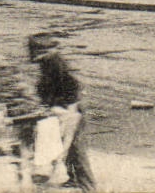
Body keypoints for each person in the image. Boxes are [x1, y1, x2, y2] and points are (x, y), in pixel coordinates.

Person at [28, 33, 96, 191]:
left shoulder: (57, 66)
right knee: (69, 150)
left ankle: (88, 188)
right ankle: (73, 179)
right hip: (63, 109)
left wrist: (69, 113)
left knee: (76, 151)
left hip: (71, 110)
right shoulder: (48, 64)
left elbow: (71, 91)